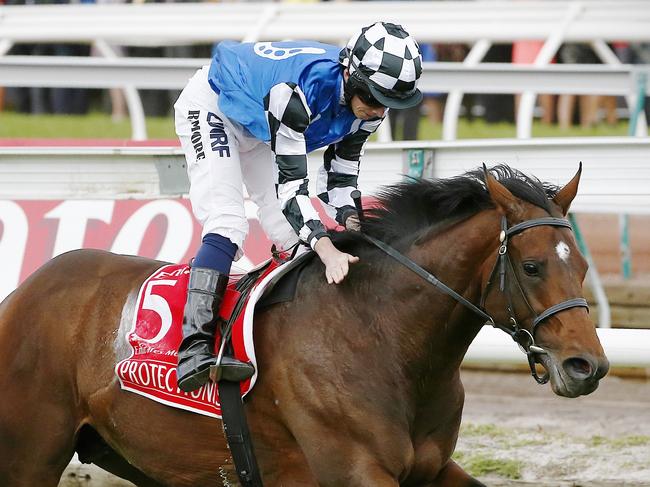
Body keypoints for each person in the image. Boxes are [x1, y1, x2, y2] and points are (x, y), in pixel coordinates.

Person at [173, 21, 423, 392]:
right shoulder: (297, 92)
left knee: (293, 238)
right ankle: (193, 349)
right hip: (215, 106)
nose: (377, 112)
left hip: (260, 124)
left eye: (389, 104)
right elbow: (293, 191)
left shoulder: (369, 108)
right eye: (373, 99)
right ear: (351, 77)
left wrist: (357, 234)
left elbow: (340, 181)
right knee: (228, 223)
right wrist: (328, 250)